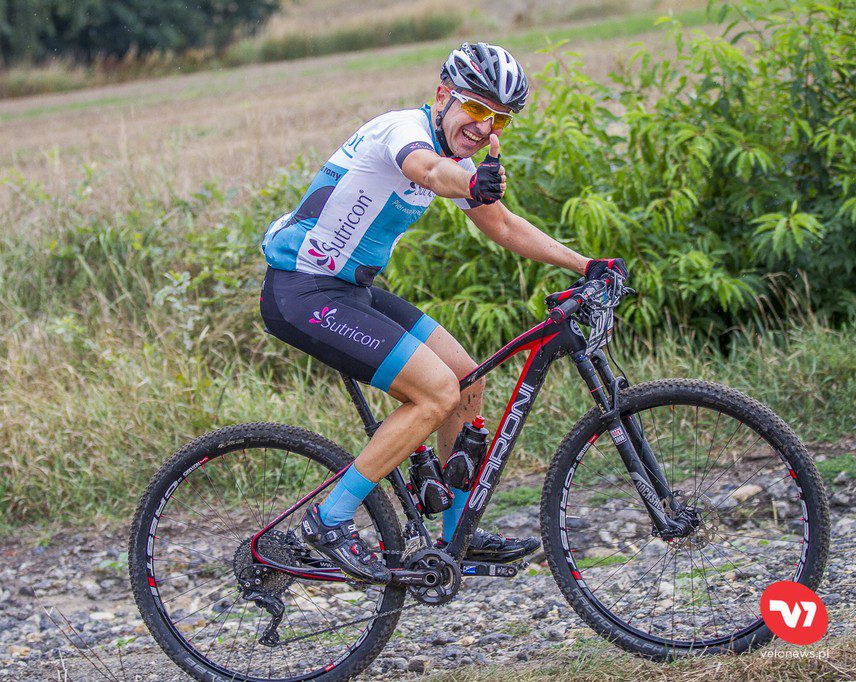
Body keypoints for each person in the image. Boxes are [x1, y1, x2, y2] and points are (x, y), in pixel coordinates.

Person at [260, 42, 629, 583]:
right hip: (302, 289)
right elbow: (429, 171)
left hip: (347, 288)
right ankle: (327, 520)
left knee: (467, 379)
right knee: (436, 393)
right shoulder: (403, 131)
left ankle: (460, 535)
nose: (484, 126)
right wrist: (471, 181)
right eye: (475, 108)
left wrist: (587, 264)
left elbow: (503, 225)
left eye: (499, 118)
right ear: (442, 96)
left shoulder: (458, 161)